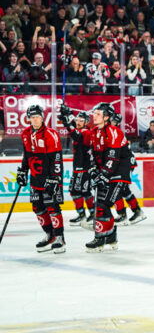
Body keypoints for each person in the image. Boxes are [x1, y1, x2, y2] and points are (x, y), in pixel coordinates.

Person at [18, 105, 65, 253]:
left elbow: (56, 158)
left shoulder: (51, 134)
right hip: (35, 178)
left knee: (52, 207)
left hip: (50, 177)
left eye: (37, 116)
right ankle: (49, 235)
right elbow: (26, 155)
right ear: (28, 119)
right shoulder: (25, 134)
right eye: (32, 117)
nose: (35, 119)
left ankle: (59, 238)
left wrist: (55, 178)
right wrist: (23, 171)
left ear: (42, 118)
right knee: (37, 207)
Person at [86, 102, 130, 251]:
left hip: (118, 174)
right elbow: (93, 155)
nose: (94, 116)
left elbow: (113, 157)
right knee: (100, 205)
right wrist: (93, 170)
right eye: (95, 113)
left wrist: (104, 174)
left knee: (104, 205)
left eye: (98, 114)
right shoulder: (94, 132)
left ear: (106, 117)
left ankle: (100, 238)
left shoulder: (114, 131)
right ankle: (110, 235)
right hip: (107, 172)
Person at [58, 105, 94, 228]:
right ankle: (91, 213)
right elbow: (74, 125)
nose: (78, 122)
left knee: (76, 191)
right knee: (85, 191)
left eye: (81, 121)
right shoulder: (81, 128)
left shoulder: (87, 132)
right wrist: (68, 113)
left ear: (86, 122)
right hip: (80, 167)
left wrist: (67, 123)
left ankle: (84, 214)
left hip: (83, 168)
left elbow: (76, 135)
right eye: (77, 120)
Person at [109, 110, 146, 226]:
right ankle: (137, 211)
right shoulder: (112, 131)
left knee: (116, 188)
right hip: (123, 163)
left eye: (114, 121)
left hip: (123, 164)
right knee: (124, 189)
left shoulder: (115, 132)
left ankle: (122, 215)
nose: (112, 122)